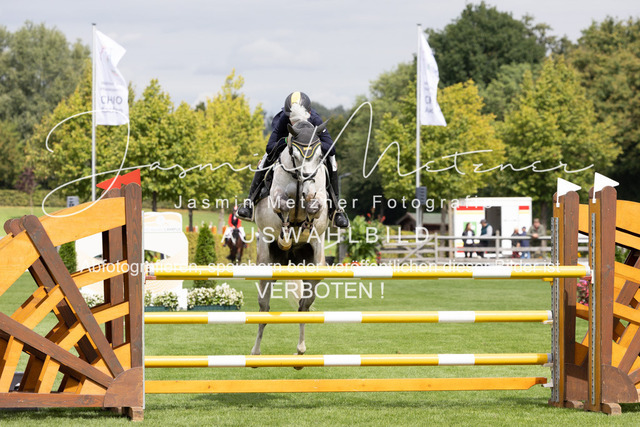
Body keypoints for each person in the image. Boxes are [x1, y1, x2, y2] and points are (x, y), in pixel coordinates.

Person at [237, 92, 349, 228]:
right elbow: (270, 147)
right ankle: (249, 202)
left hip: (311, 151)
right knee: (265, 159)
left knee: (332, 161)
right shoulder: (284, 119)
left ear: (308, 113)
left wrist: (312, 142)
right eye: (292, 118)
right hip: (289, 150)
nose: (294, 122)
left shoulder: (315, 120)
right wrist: (287, 140)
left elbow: (331, 147)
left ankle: (336, 210)